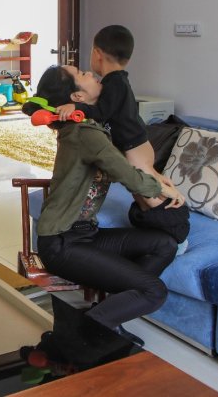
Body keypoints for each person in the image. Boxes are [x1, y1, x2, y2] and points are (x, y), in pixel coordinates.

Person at [24, 65, 185, 347]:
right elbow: (125, 172)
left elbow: (130, 152)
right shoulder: (84, 132)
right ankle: (89, 329)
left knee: (163, 244)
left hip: (85, 234)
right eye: (82, 73)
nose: (91, 73)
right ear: (77, 96)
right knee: (154, 291)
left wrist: (156, 177)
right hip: (62, 242)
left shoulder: (93, 124)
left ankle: (109, 313)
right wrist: (163, 189)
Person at [54, 25, 175, 211]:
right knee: (140, 195)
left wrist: (76, 107)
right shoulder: (116, 80)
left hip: (134, 146)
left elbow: (102, 112)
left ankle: (172, 219)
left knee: (149, 194)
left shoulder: (114, 82)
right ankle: (149, 220)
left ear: (97, 54)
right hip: (135, 144)